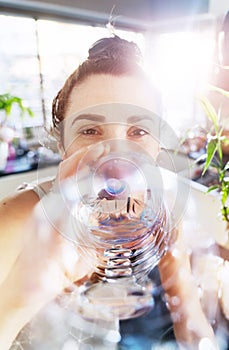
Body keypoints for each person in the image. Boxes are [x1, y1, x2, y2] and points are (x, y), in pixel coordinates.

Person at [0, 35, 224, 350]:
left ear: (158, 146)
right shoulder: (16, 221)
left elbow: (190, 321)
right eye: (90, 131)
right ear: (63, 144)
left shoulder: (166, 211)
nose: (116, 156)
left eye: (138, 131)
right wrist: (24, 294)